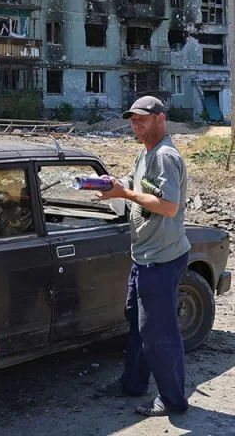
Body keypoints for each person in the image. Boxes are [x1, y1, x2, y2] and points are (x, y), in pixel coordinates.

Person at [96, 95, 191, 417]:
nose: (137, 125)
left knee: (159, 333)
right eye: (133, 120)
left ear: (160, 119)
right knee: (138, 324)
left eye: (143, 119)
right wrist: (114, 184)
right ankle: (133, 384)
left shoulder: (165, 156)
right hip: (145, 257)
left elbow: (168, 206)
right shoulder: (146, 152)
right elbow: (138, 185)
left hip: (161, 260)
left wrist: (125, 193)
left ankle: (173, 401)